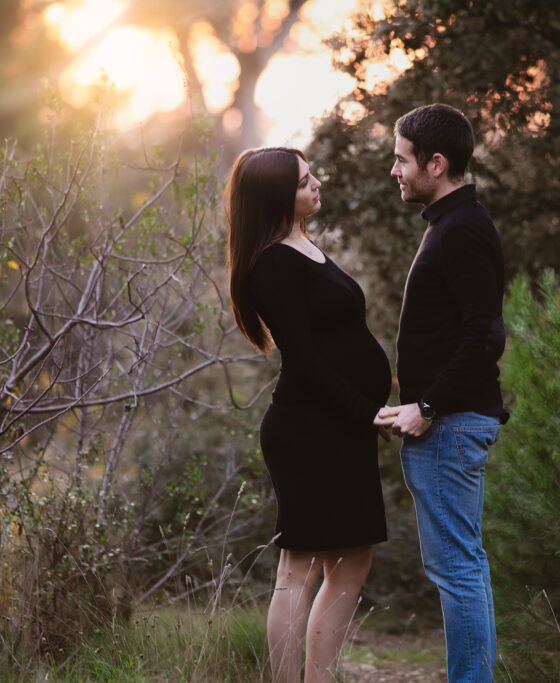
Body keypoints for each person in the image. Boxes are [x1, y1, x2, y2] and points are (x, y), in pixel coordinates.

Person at [226, 147, 395, 683]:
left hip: (340, 425)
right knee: (298, 564)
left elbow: (337, 339)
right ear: (275, 197)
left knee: (352, 559)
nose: (317, 183)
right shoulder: (274, 262)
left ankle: (320, 678)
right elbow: (303, 356)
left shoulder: (303, 245)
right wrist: (366, 412)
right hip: (309, 429)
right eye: (303, 181)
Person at [382, 103, 508, 682]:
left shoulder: (462, 230)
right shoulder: (451, 224)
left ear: (436, 164)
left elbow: (485, 335)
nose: (395, 170)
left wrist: (429, 406)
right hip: (449, 424)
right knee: (463, 567)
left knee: (458, 570)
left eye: (402, 160)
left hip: (450, 427)